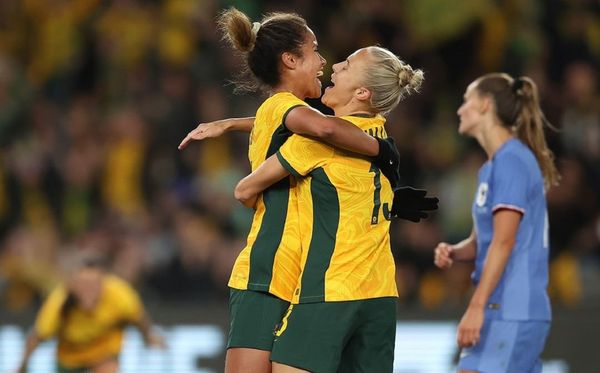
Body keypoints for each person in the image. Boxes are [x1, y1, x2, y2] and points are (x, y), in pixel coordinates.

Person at [178, 8, 408, 373]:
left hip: (305, 273)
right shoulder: (307, 125)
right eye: (315, 50)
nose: (325, 62)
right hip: (270, 268)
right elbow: (326, 129)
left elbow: (310, 125)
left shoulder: (297, 120)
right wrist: (384, 151)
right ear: (289, 59)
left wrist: (230, 123)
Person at [234, 46, 437, 373]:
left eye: (347, 65)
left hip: (328, 289)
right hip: (382, 296)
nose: (336, 65)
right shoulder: (384, 140)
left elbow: (244, 189)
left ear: (361, 92)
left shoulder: (314, 142)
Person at [433, 73, 560, 373]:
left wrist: (475, 307)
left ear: (485, 105)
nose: (459, 109)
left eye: (466, 101)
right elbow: (483, 242)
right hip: (501, 307)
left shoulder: (512, 161)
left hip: (512, 307)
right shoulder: (492, 167)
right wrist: (455, 251)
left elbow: (505, 241)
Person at [16, 255, 164, 373]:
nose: (88, 292)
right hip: (70, 359)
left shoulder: (119, 294)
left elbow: (138, 318)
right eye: (83, 285)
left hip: (104, 352)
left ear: (103, 282)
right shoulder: (58, 305)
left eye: (93, 285)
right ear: (73, 286)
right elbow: (37, 337)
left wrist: (148, 337)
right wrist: (22, 367)